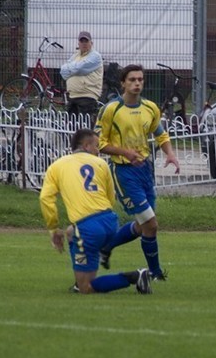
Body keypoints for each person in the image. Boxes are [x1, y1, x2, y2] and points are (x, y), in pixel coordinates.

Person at [39, 128, 151, 295]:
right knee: (71, 232)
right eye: (97, 147)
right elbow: (110, 197)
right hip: (110, 220)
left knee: (87, 288)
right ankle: (80, 279)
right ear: (86, 146)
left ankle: (134, 277)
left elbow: (45, 199)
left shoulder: (57, 166)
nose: (99, 151)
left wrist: (53, 228)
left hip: (88, 228)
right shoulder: (101, 164)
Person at [94, 64, 180, 281]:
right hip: (123, 171)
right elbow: (99, 144)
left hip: (144, 170)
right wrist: (125, 152)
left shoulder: (150, 108)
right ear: (123, 83)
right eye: (132, 79)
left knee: (145, 227)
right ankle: (156, 272)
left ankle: (106, 247)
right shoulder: (111, 109)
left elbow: (160, 134)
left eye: (140, 80)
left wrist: (170, 154)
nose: (137, 83)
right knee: (151, 223)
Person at [60, 31, 103, 119]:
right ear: (78, 43)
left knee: (85, 129)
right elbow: (63, 71)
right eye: (81, 41)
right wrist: (75, 67)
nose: (84, 44)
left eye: (86, 41)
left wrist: (71, 68)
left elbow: (80, 68)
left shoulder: (95, 56)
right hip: (72, 96)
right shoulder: (75, 55)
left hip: (87, 97)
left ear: (91, 43)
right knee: (70, 128)